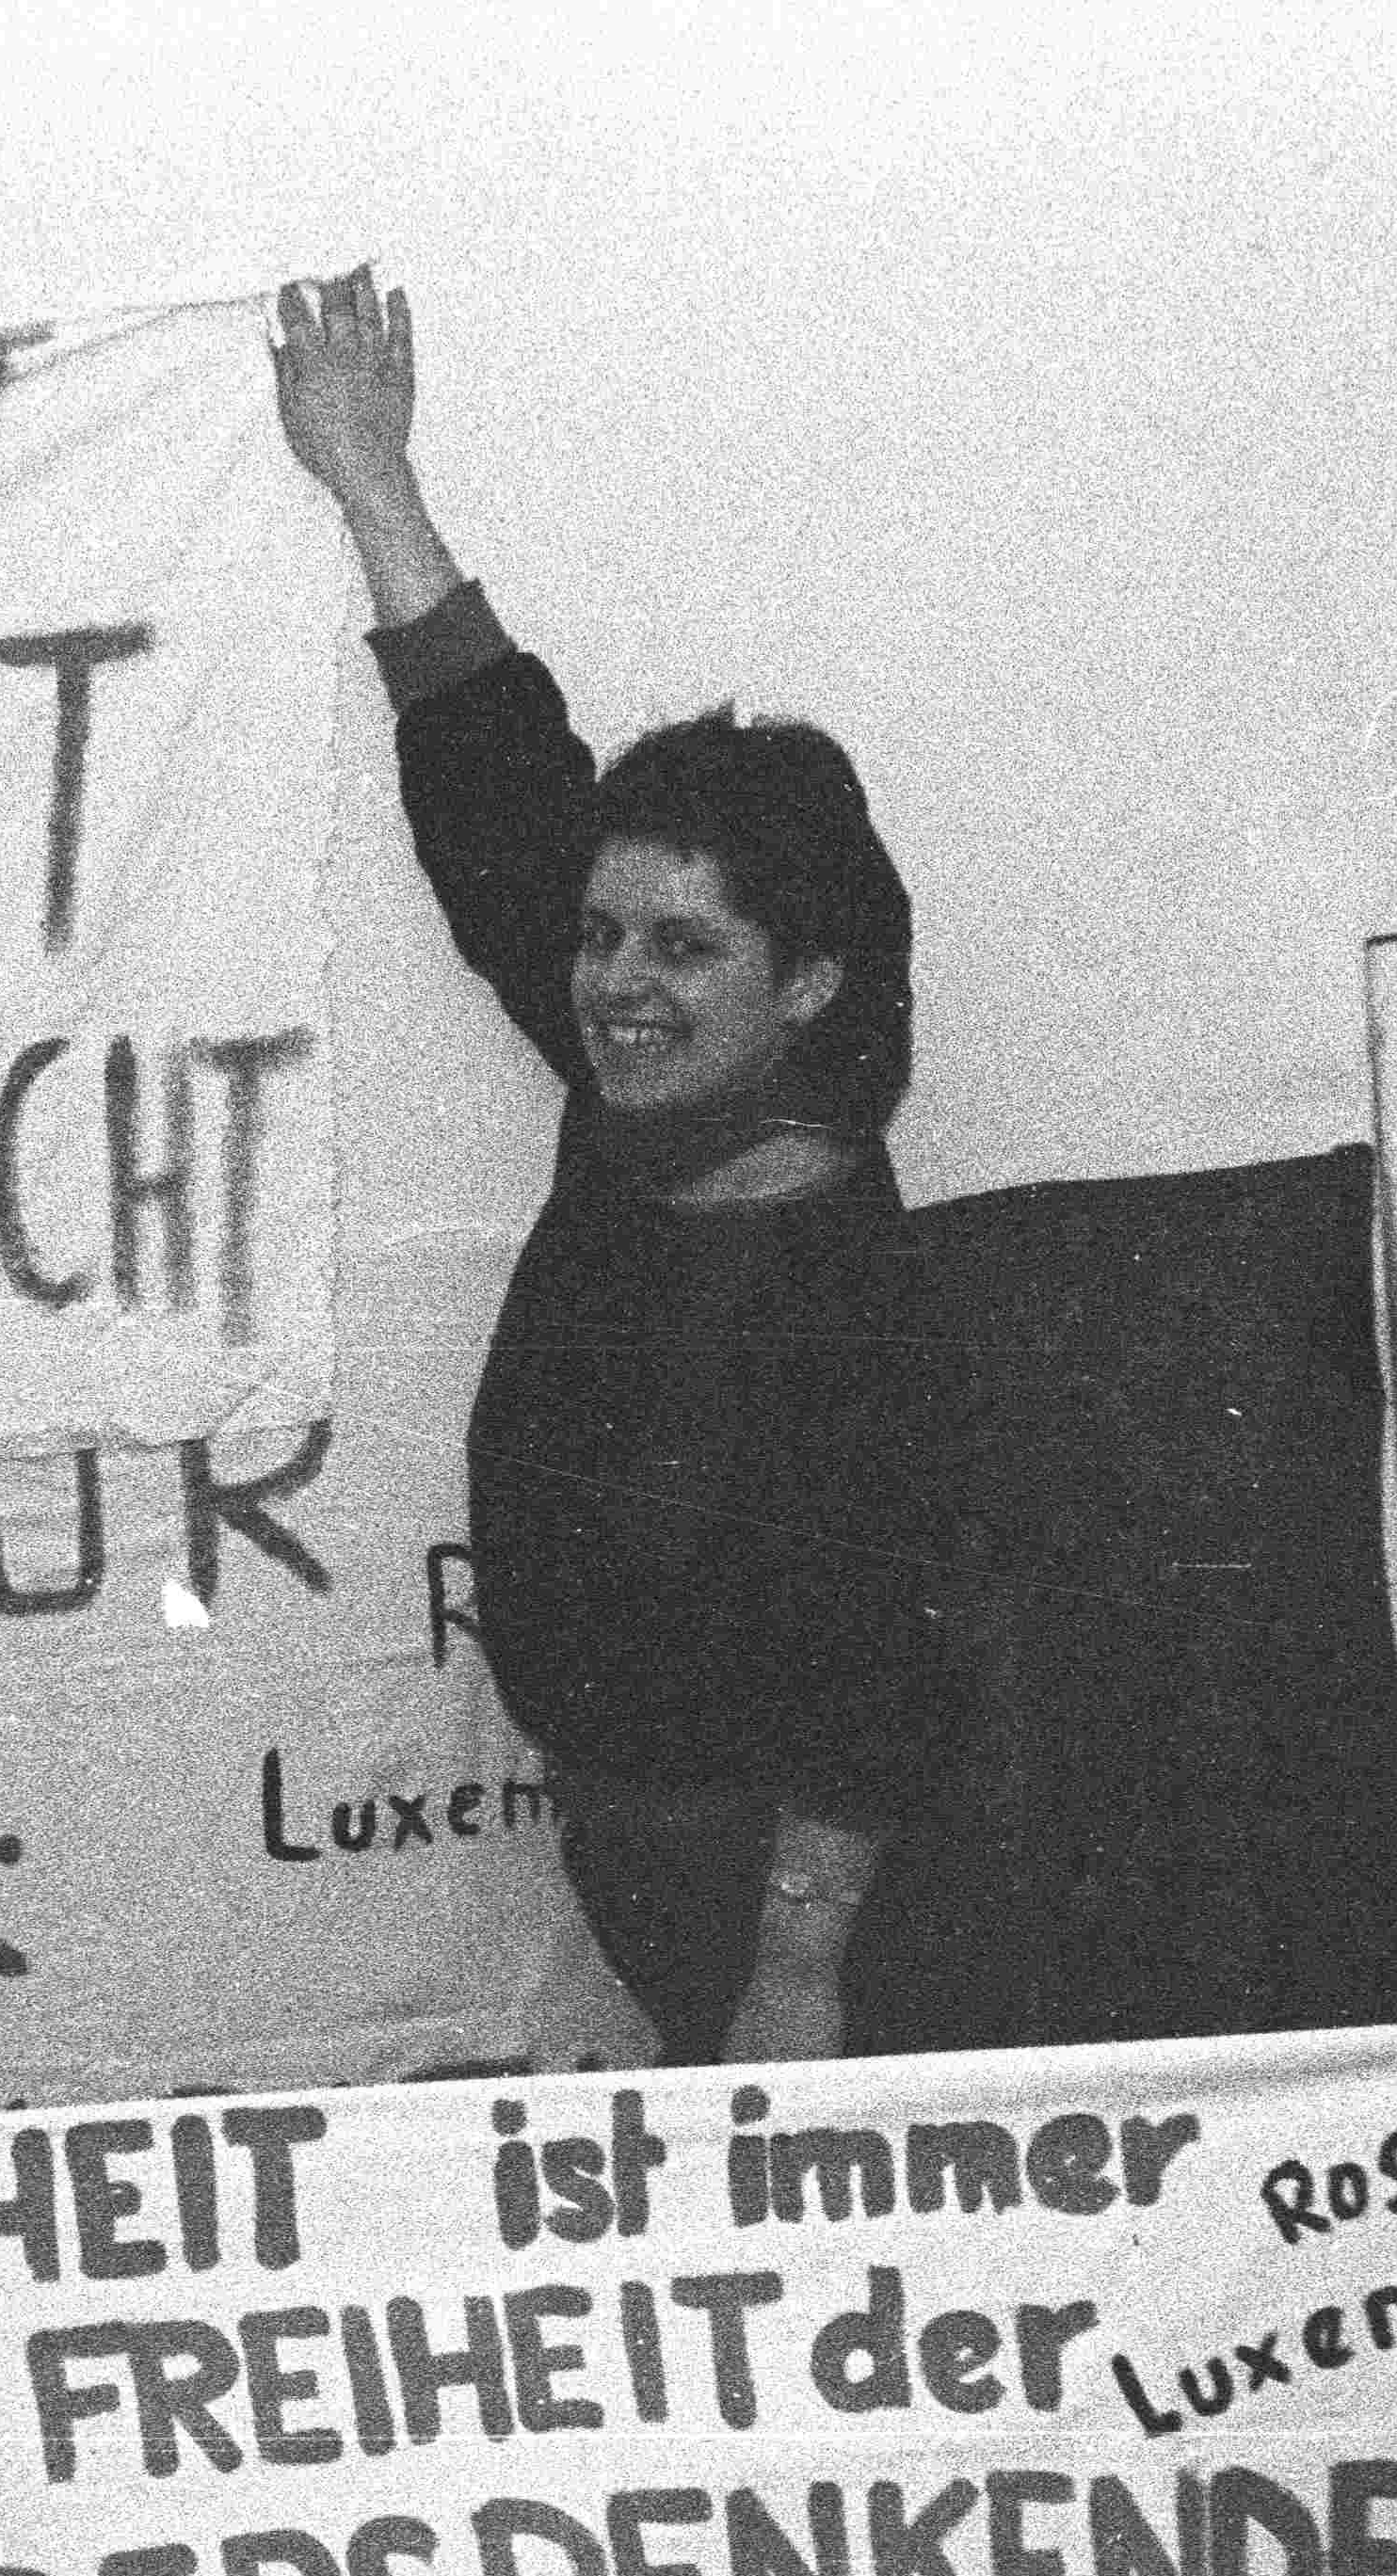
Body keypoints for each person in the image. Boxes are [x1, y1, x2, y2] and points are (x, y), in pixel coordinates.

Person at [273, 267, 959, 2068]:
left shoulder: (848, 1284)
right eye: (604, 938)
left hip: (812, 1903)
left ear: (804, 980)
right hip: (641, 1844)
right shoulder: (634, 1118)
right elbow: (503, 791)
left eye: (681, 948)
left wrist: (798, 1971)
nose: (615, 984)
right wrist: (370, 481)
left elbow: (883, 1669)